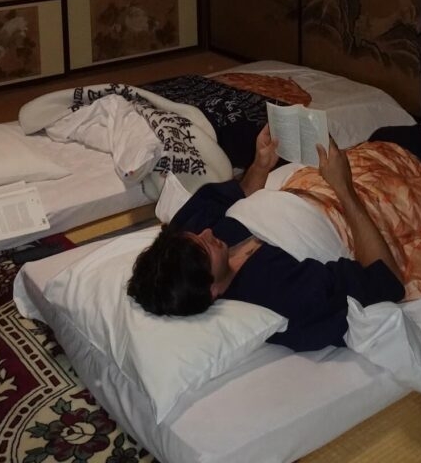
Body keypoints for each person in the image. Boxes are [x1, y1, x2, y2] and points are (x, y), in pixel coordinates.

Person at [127, 124, 405, 352]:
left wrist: (261, 164)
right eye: (204, 245)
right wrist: (344, 188)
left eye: (197, 235)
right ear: (212, 291)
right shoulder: (279, 290)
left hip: (311, 182)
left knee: (384, 137)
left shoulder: (186, 243)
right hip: (362, 206)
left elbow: (233, 194)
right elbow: (386, 282)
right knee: (406, 147)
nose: (208, 232)